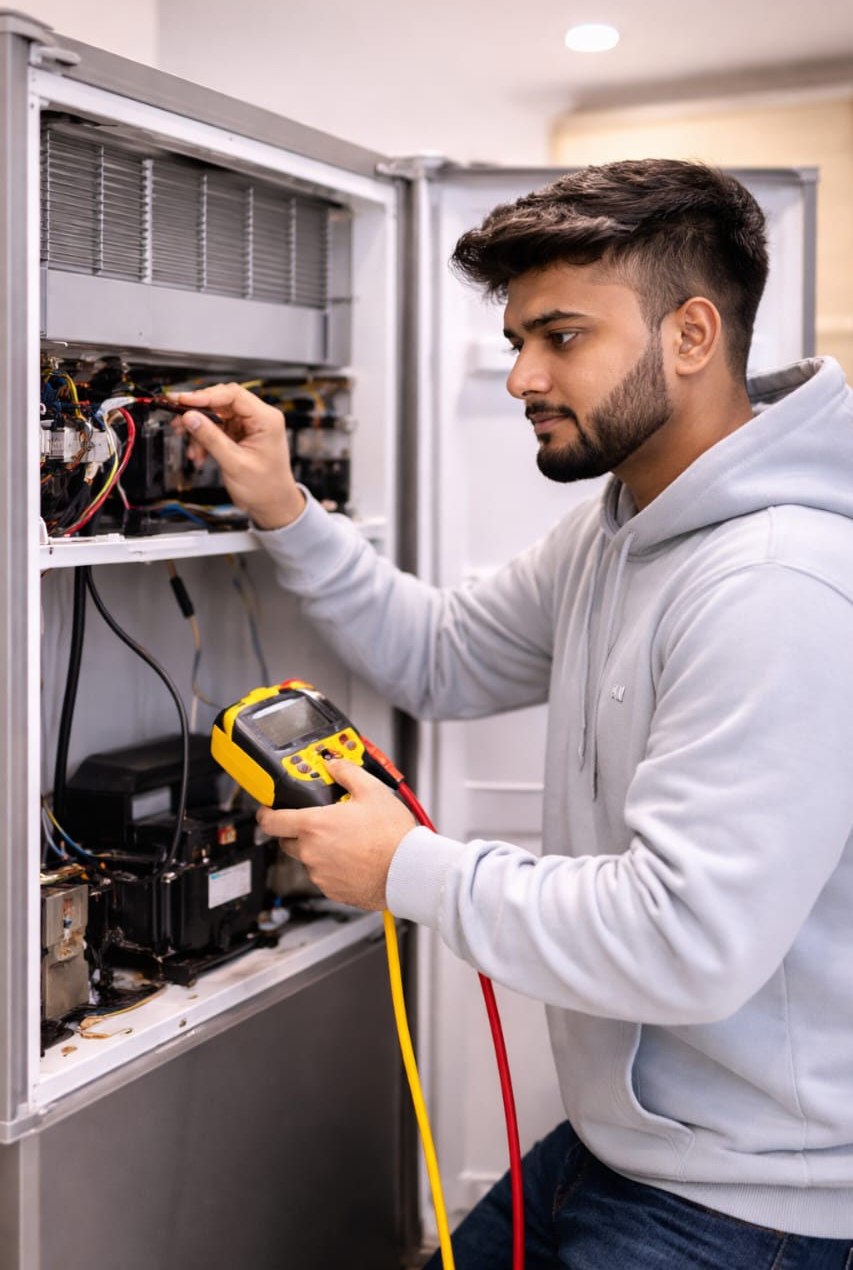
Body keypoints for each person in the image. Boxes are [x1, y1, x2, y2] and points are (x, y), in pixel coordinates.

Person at [174, 159, 853, 1268]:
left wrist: (410, 869)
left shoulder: (779, 584)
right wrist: (286, 509)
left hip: (751, 1204)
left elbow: (688, 937)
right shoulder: (618, 524)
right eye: (514, 342)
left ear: (691, 335)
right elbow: (441, 657)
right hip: (626, 1153)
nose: (521, 375)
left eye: (561, 336)